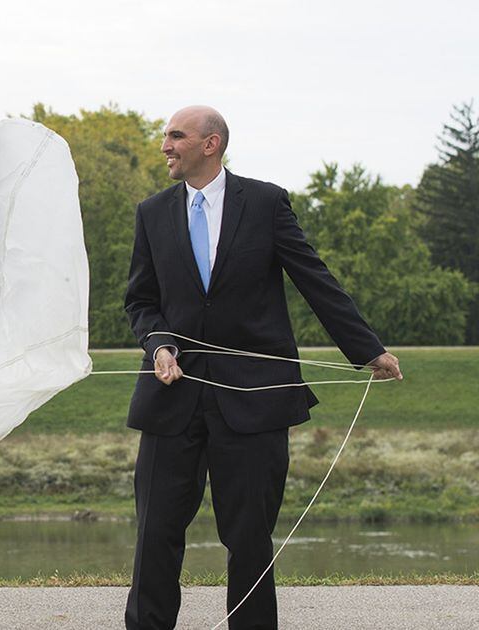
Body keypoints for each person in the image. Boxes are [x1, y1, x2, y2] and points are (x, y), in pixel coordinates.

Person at [122, 106, 402, 629]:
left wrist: (367, 350)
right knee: (155, 533)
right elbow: (140, 300)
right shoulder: (152, 212)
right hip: (170, 399)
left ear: (211, 144)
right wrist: (159, 345)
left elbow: (314, 278)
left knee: (249, 537)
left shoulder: (267, 203)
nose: (165, 145)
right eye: (165, 136)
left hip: (255, 400)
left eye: (175, 136)